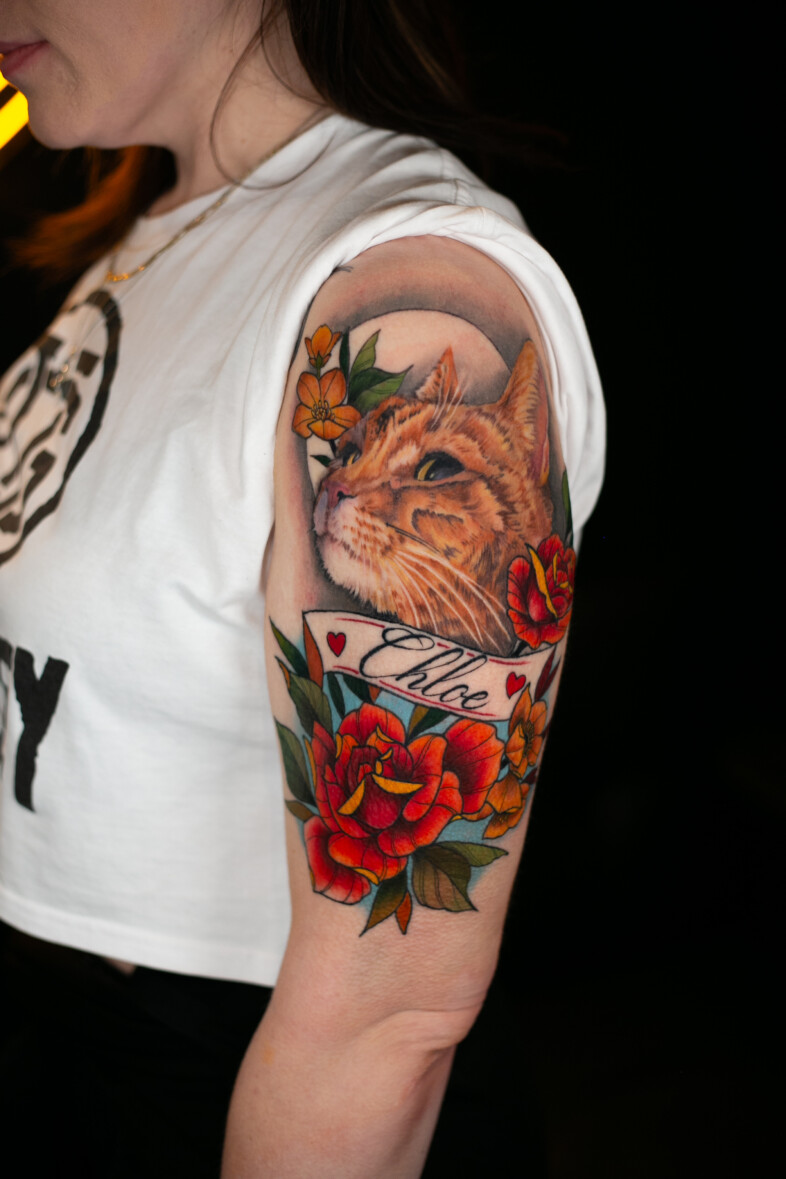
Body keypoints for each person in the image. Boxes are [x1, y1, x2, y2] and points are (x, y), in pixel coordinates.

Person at [0, 2, 605, 1175]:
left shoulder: (404, 278)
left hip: (237, 1092)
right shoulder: (164, 222)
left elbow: (390, 1014)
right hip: (65, 1041)